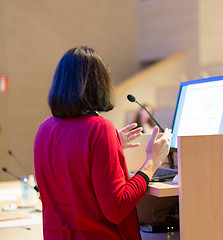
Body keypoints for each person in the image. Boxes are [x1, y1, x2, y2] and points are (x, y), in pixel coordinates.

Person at [33, 46, 172, 240]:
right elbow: (116, 208)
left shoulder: (44, 129)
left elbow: (73, 165)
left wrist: (110, 145)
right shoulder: (99, 129)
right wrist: (152, 161)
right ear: (99, 83)